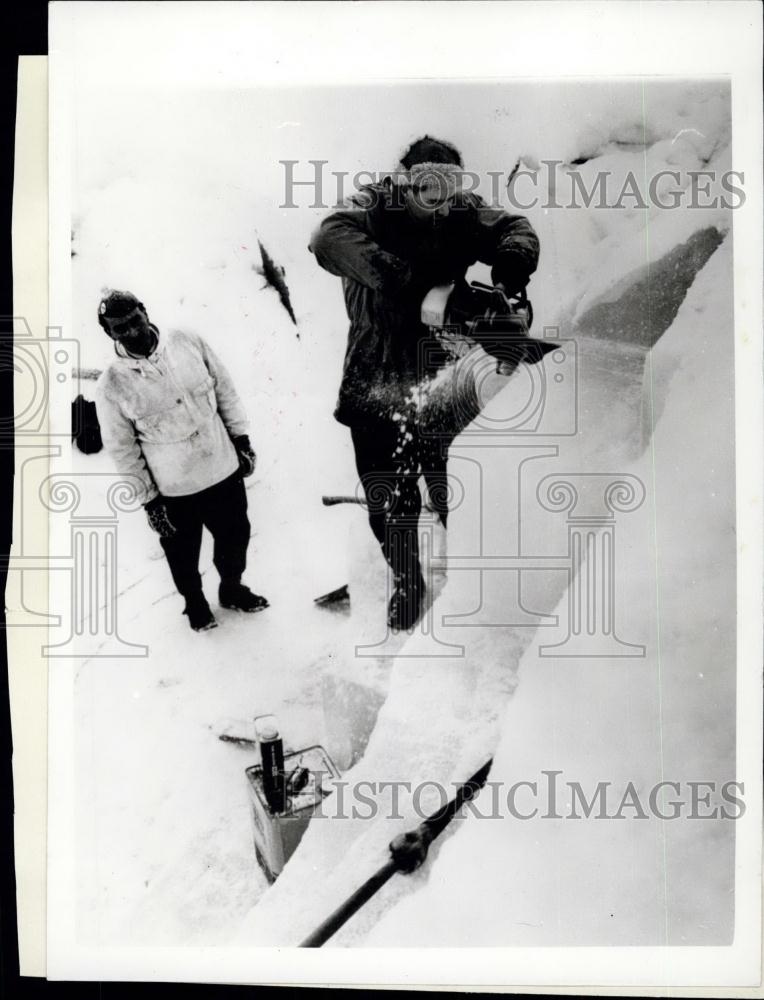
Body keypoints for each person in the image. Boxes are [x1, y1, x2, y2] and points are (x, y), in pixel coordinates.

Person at [309, 136, 540, 631]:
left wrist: (512, 263)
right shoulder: (372, 206)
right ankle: (407, 579)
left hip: (440, 365)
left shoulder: (461, 211)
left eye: (450, 186)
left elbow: (514, 227)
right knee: (388, 495)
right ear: (402, 180)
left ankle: (474, 577)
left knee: (452, 480)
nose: (438, 198)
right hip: (375, 368)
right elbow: (327, 237)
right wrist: (416, 284)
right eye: (426, 186)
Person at [95, 290, 268, 632]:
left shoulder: (187, 341)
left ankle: (232, 589)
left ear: (145, 311)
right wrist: (149, 501)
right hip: (174, 491)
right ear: (109, 334)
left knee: (236, 539)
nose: (131, 332)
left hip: (222, 468)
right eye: (120, 329)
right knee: (183, 555)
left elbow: (224, 391)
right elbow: (123, 449)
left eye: (134, 320)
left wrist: (242, 440)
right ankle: (195, 604)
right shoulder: (111, 385)